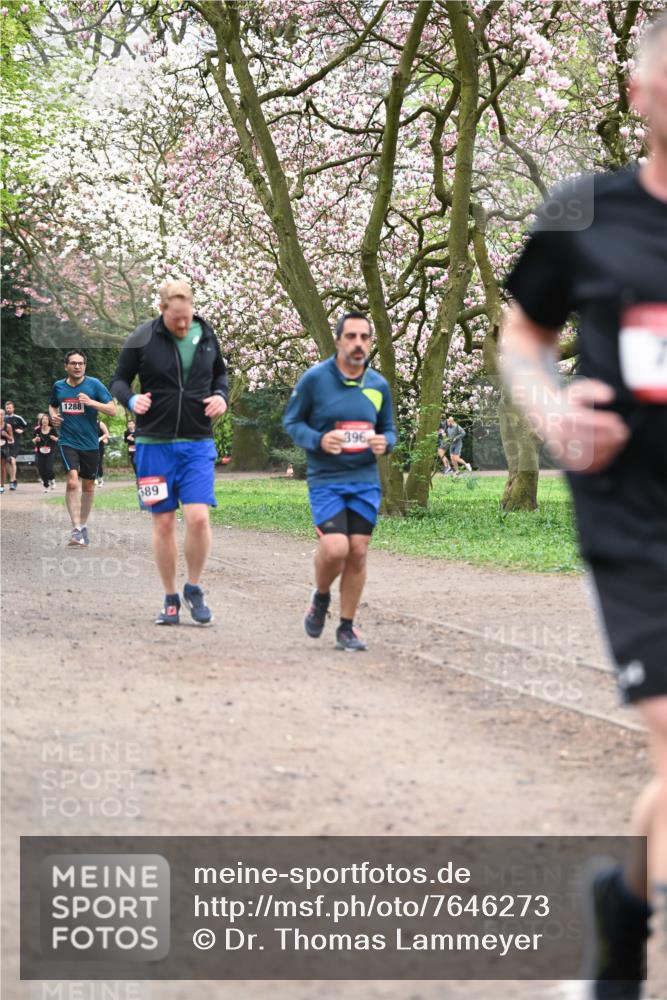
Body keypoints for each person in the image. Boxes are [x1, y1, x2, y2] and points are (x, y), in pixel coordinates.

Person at [502, 13, 667, 998]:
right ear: (640, 94)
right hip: (637, 523)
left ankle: (621, 911)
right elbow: (522, 333)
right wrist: (552, 406)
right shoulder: (582, 211)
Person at [110, 279, 229, 626]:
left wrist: (221, 395)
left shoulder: (205, 334)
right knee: (162, 522)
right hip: (152, 446)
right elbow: (118, 380)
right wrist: (131, 399)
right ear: (161, 310)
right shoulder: (142, 337)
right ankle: (170, 597)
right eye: (175, 318)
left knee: (198, 518)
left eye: (186, 316)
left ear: (192, 306)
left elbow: (220, 375)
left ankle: (193, 586)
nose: (181, 324)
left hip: (197, 443)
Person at [283, 311, 397, 651]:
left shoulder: (378, 385)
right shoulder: (315, 380)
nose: (358, 343)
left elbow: (389, 429)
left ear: (371, 342)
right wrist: (319, 440)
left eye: (365, 337)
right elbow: (292, 422)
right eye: (351, 336)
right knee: (336, 548)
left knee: (358, 552)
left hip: (364, 479)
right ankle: (320, 598)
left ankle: (346, 627)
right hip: (327, 479)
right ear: (338, 340)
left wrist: (385, 442)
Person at [48, 350, 116, 546]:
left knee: (88, 486)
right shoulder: (59, 386)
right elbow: (52, 405)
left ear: (85, 366)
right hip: (68, 441)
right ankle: (76, 529)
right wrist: (53, 416)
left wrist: (91, 402)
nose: (77, 366)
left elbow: (112, 410)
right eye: (73, 363)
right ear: (66, 366)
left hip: (90, 444)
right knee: (72, 481)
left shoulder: (94, 385)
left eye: (80, 363)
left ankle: (83, 526)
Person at [4, 401, 27, 490]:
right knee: (8, 461)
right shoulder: (3, 418)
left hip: (16, 442)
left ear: (13, 409)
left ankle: (12, 481)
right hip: (6, 443)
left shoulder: (18, 418)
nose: (8, 409)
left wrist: (22, 431)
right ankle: (13, 479)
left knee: (12, 460)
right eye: (7, 408)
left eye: (10, 408)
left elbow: (26, 425)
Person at [32, 414, 58, 492]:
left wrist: (54, 438)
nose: (45, 421)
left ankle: (52, 479)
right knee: (42, 469)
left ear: (48, 421)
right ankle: (46, 485)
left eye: (46, 419)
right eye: (43, 419)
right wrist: (36, 440)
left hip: (50, 451)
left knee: (48, 468)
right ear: (41, 421)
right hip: (40, 452)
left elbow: (58, 439)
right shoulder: (37, 430)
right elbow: (33, 440)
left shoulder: (52, 430)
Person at [0, 409, 14, 493]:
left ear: (4, 416)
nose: (0, 416)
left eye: (2, 415)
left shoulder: (8, 426)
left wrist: (6, 435)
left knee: (2, 468)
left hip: (4, 448)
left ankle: (1, 486)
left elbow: (12, 439)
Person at [96, 418, 110, 486]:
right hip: (89, 446)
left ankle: (100, 479)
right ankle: (94, 479)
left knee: (98, 462)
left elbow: (107, 434)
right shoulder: (87, 423)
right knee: (91, 463)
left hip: (99, 446)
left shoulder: (100, 424)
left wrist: (99, 439)